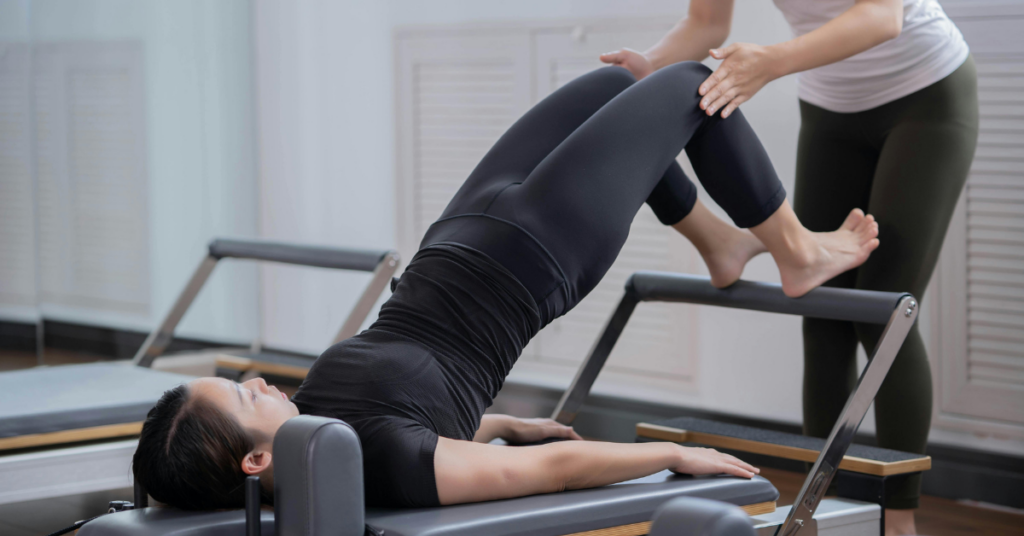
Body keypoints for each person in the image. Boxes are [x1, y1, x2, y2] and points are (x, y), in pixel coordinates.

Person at [132, 61, 879, 510]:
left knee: (619, 82)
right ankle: (794, 253)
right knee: (698, 86)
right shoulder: (384, 463)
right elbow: (544, 470)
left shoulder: (325, 426)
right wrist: (670, 457)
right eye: (242, 398)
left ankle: (719, 243)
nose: (258, 381)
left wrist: (496, 425)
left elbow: (432, 421)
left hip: (466, 227)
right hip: (540, 255)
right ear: (254, 462)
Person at [600, 1, 976, 534]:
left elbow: (884, 15)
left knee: (885, 307)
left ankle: (899, 519)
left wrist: (771, 61)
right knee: (820, 310)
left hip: (926, 92)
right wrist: (651, 61)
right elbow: (707, 23)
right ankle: (820, 513)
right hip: (830, 109)